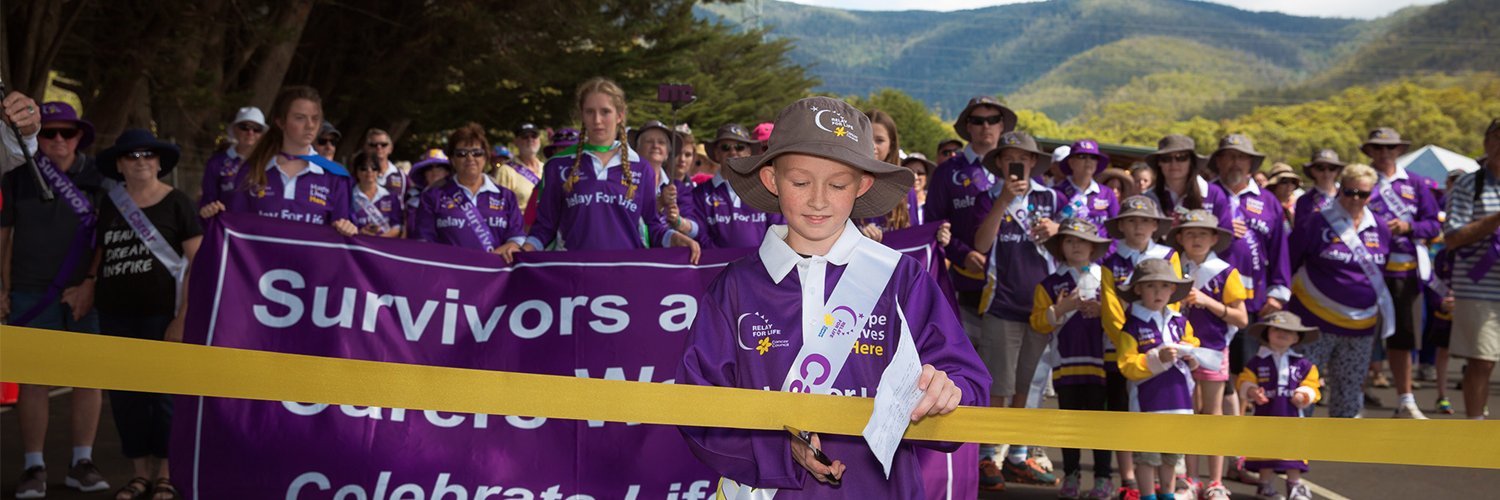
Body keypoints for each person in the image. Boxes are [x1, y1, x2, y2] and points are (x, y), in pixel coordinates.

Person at [676, 95, 989, 498]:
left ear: (862, 185)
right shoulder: (735, 287)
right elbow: (697, 406)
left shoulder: (902, 279)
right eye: (800, 182)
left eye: (838, 184)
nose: (819, 199)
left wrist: (951, 390)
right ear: (771, 180)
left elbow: (969, 384)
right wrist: (779, 450)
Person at [2, 96, 112, 496]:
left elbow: (106, 237)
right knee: (34, 380)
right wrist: (2, 287)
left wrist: (91, 283)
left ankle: (82, 462)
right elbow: (4, 235)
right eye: (50, 133)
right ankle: (34, 466)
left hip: (85, 292)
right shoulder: (16, 174)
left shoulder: (99, 176)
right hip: (30, 290)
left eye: (67, 132)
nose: (59, 140)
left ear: (80, 136)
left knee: (88, 378)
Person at [92, 129, 203, 500]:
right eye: (132, 156)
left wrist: (183, 317)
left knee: (166, 398)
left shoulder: (178, 203)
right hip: (115, 315)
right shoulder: (110, 204)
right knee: (126, 399)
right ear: (120, 165)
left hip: (163, 317)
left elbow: (198, 263)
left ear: (159, 163)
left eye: (148, 155)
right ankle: (139, 474)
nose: (141, 162)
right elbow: (100, 252)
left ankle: (168, 474)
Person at [503, 78, 698, 260]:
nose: (597, 120)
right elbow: (545, 227)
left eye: (605, 112)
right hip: (573, 275)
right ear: (582, 115)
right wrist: (523, 251)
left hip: (626, 275)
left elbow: (652, 226)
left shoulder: (641, 167)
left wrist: (675, 238)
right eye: (590, 112)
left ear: (620, 115)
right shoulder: (558, 165)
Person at [972, 130, 1061, 488]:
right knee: (999, 386)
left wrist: (1057, 229)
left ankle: (1018, 456)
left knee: (1029, 385)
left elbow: (1071, 243)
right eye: (1010, 158)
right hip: (1002, 303)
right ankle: (987, 455)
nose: (1017, 164)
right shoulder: (988, 196)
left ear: (1034, 162)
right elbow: (981, 244)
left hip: (1041, 307)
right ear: (999, 162)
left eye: (1023, 158)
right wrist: (1003, 201)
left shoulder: (1051, 197)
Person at [1286, 163, 1393, 418]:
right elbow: (1290, 260)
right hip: (1313, 324)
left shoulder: (1380, 227)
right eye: (1350, 192)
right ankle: (1295, 443)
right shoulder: (1315, 222)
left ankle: (1343, 440)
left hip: (1360, 328)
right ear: (1340, 189)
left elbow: (1382, 269)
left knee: (1349, 393)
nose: (1355, 199)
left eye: (1362, 194)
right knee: (1302, 391)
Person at [1029, 218, 1115, 500]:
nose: (1076, 246)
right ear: (1060, 246)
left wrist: (1102, 310)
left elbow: (1121, 316)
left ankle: (1103, 478)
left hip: (1101, 364)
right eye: (1069, 240)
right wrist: (1061, 308)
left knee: (1100, 424)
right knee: (1069, 424)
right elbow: (1038, 322)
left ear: (1094, 247)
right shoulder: (1050, 284)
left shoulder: (1107, 280)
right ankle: (1071, 475)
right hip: (1065, 364)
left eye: (1082, 241)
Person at [1098, 195, 1177, 499]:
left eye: (1145, 221)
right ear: (1121, 225)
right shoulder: (1110, 262)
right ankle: (1129, 478)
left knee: (1163, 410)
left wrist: (1157, 343)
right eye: (1131, 220)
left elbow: (1175, 302)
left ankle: (1167, 481)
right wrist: (1130, 341)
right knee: (1123, 411)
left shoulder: (1169, 255)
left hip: (1163, 349)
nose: (1138, 226)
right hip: (1122, 348)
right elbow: (1110, 310)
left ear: (1155, 225)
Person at [199, 86, 358, 237]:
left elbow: (342, 237)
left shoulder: (336, 175)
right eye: (300, 118)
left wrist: (348, 228)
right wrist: (211, 216)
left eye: (315, 118)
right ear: (281, 122)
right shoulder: (252, 169)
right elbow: (236, 230)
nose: (310, 125)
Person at [1166, 210, 1249, 500]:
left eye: (1203, 234)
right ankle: (1192, 480)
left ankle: (1216, 481)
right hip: (1181, 350)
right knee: (1189, 414)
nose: (1196, 239)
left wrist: (1207, 301)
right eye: (1190, 233)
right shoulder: (1173, 268)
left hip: (1213, 349)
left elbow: (1242, 318)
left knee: (1213, 415)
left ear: (1214, 238)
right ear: (1180, 238)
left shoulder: (1225, 272)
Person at [1362, 127, 1442, 419]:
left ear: (1399, 150)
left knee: (1403, 338)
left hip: (1404, 272)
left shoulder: (1415, 183)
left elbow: (1433, 224)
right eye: (1378, 148)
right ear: (1370, 151)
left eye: (1390, 148)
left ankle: (1405, 399)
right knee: (1360, 335)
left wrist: (1409, 227)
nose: (1384, 153)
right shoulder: (1361, 180)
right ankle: (1354, 397)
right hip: (1365, 270)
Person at [1114, 258, 1199, 500]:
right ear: (1138, 289)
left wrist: (1191, 356)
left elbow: (1194, 346)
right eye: (1151, 286)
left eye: (1164, 286)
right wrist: (1156, 358)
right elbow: (1127, 365)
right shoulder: (1131, 326)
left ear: (1172, 290)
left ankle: (1168, 495)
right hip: (1148, 403)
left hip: (1179, 401)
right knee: (1147, 457)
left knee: (1171, 457)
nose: (1158, 292)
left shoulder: (1180, 321)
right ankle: (1148, 496)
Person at [1443, 118, 1500, 421]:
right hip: (1479, 290)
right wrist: (1495, 220)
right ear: (1486, 142)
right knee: (1481, 362)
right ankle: (1476, 429)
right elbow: (1452, 237)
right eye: (1497, 137)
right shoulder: (1468, 185)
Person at [1237, 312, 1321, 500]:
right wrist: (1252, 391)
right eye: (1276, 329)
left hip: (1291, 416)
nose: (1282, 333)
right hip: (1265, 415)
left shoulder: (1302, 364)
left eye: (1288, 331)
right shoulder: (1257, 361)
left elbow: (1312, 384)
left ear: (1296, 337)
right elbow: (1245, 380)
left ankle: (1294, 485)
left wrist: (1304, 394)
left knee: (1293, 452)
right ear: (1267, 333)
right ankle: (1264, 485)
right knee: (1266, 450)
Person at [413, 123, 525, 258]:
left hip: (495, 270)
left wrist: (489, 259)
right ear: (452, 160)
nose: (470, 158)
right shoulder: (432, 197)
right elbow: (424, 242)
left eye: (477, 153)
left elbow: (517, 238)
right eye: (461, 153)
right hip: (449, 269)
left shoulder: (506, 196)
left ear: (485, 157)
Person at [679, 123, 782, 249]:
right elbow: (699, 235)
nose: (733, 152)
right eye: (725, 147)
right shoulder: (699, 193)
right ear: (716, 153)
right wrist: (722, 257)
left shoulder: (767, 190)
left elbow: (779, 232)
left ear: (749, 152)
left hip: (760, 261)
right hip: (715, 261)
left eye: (739, 147)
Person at [1146, 135, 1233, 231]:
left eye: (1181, 158)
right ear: (1159, 163)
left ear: (1191, 162)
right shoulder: (1149, 198)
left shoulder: (1213, 194)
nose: (1174, 163)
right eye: (1166, 158)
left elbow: (1226, 232)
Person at [859, 110, 920, 238]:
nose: (872, 145)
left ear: (891, 146)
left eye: (879, 140)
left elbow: (915, 237)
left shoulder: (905, 188)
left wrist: (938, 236)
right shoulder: (842, 183)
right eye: (866, 138)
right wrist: (856, 235)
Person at [199, 106, 266, 208]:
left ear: (263, 134)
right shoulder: (216, 162)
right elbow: (208, 199)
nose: (250, 133)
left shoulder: (270, 162)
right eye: (244, 127)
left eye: (257, 129)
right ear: (235, 130)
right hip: (225, 218)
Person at [1055, 139, 1120, 234]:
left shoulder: (1107, 193)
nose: (1088, 161)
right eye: (1082, 156)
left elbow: (1117, 228)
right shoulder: (1056, 193)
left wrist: (1110, 244)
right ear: (1071, 162)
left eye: (1093, 157)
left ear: (1097, 163)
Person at [348, 151, 404, 238]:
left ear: (378, 172)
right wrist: (360, 232)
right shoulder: (349, 196)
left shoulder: (390, 196)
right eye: (363, 168)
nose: (369, 171)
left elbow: (397, 226)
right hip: (357, 242)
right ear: (356, 172)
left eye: (374, 168)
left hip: (384, 244)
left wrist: (380, 239)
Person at [495, 122, 544, 212]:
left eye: (534, 136)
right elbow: (499, 208)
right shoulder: (506, 170)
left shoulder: (546, 168)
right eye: (525, 137)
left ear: (539, 140)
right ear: (516, 142)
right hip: (521, 220)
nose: (530, 140)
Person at [1293, 149, 1346, 222]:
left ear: (1337, 171)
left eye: (1332, 168)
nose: (1326, 172)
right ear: (1312, 171)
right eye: (1320, 168)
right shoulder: (1304, 201)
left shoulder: (1347, 195)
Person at [364, 128, 407, 202]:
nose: (379, 147)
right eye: (373, 145)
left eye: (383, 145)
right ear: (366, 148)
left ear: (390, 148)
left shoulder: (403, 177)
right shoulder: (358, 175)